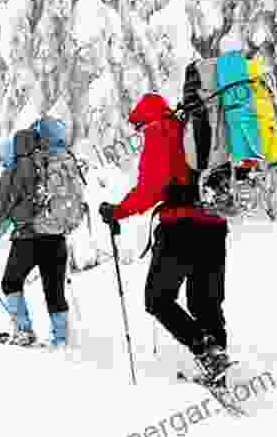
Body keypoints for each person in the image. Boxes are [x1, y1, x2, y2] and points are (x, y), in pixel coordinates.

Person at [98, 92, 232, 382]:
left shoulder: (160, 132)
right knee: (205, 302)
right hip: (214, 224)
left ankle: (205, 350)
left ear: (145, 118)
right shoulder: (192, 127)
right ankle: (218, 366)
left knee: (157, 299)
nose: (139, 132)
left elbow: (151, 189)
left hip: (179, 228)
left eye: (138, 126)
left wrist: (118, 211)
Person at [0, 119, 72, 349]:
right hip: (56, 237)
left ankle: (24, 331)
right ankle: (61, 339)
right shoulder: (48, 163)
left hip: (27, 239)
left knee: (10, 282)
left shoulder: (12, 171)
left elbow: (3, 214)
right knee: (54, 291)